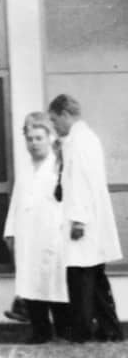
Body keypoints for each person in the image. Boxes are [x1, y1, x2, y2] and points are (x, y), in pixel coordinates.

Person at [48, 94, 123, 343]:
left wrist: (79, 220)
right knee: (96, 278)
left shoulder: (80, 142)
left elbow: (80, 182)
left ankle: (82, 331)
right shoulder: (81, 139)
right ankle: (110, 330)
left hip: (83, 221)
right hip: (89, 218)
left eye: (54, 120)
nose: (53, 126)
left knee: (81, 278)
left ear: (65, 115)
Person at [3, 112, 70, 344]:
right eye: (30, 139)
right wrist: (10, 231)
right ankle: (40, 331)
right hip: (27, 235)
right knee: (30, 283)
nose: (34, 143)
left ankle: (63, 331)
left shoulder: (59, 167)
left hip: (53, 233)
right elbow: (16, 201)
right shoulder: (25, 169)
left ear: (50, 137)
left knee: (55, 283)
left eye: (39, 138)